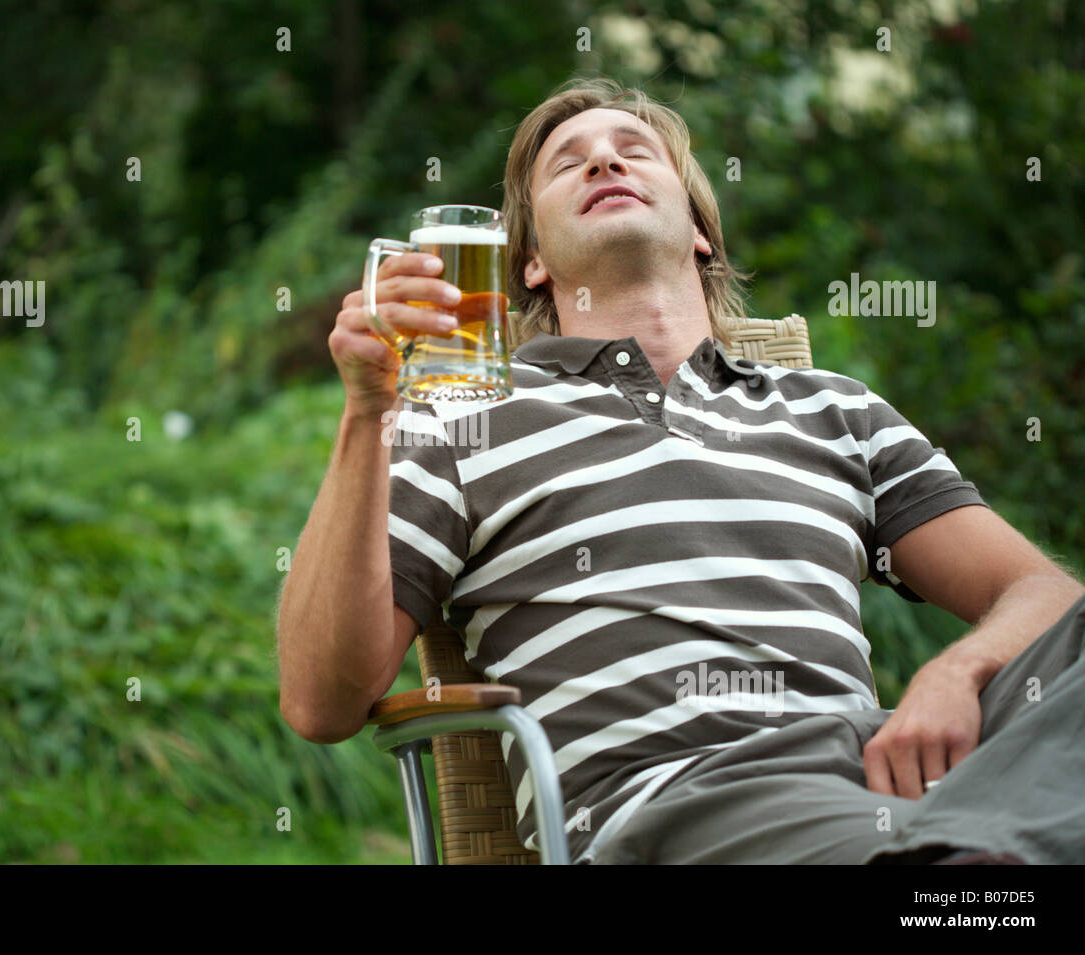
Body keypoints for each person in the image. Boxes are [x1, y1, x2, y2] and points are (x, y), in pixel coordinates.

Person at [276, 75, 1085, 864]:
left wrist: (959, 668)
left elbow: (1048, 596)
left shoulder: (836, 410)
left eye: (633, 150)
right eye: (570, 163)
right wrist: (366, 413)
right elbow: (321, 700)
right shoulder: (459, 416)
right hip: (688, 802)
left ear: (700, 230)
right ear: (528, 263)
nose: (604, 163)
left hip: (886, 779)